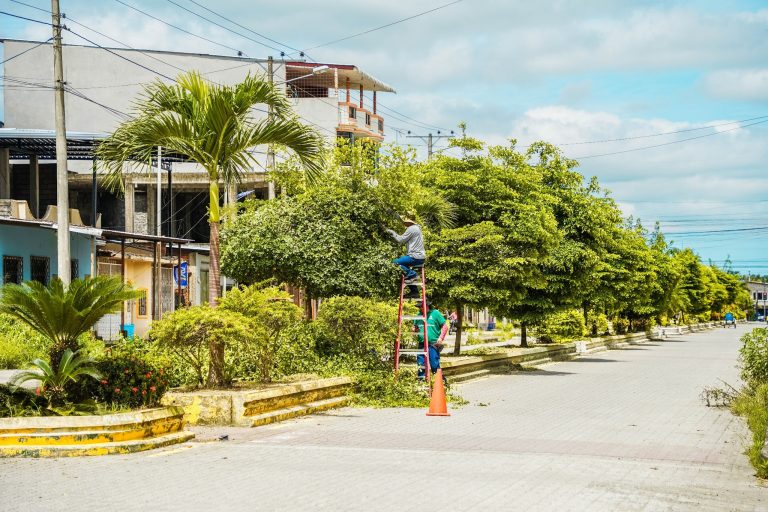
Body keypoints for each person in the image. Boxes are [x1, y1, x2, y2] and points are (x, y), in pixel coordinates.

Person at [386, 217, 426, 298]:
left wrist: (392, 232)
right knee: (404, 268)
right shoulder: (417, 228)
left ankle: (413, 275)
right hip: (420, 257)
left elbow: (400, 240)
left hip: (415, 256)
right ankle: (414, 292)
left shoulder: (411, 228)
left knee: (394, 263)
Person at [413, 299, 448, 380]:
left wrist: (441, 338)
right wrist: (415, 329)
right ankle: (421, 384)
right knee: (421, 365)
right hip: (422, 344)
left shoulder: (435, 313)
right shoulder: (418, 316)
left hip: (433, 344)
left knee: (434, 365)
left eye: (421, 307)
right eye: (419, 307)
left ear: (426, 306)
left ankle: (441, 384)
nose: (420, 309)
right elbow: (415, 327)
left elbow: (445, 326)